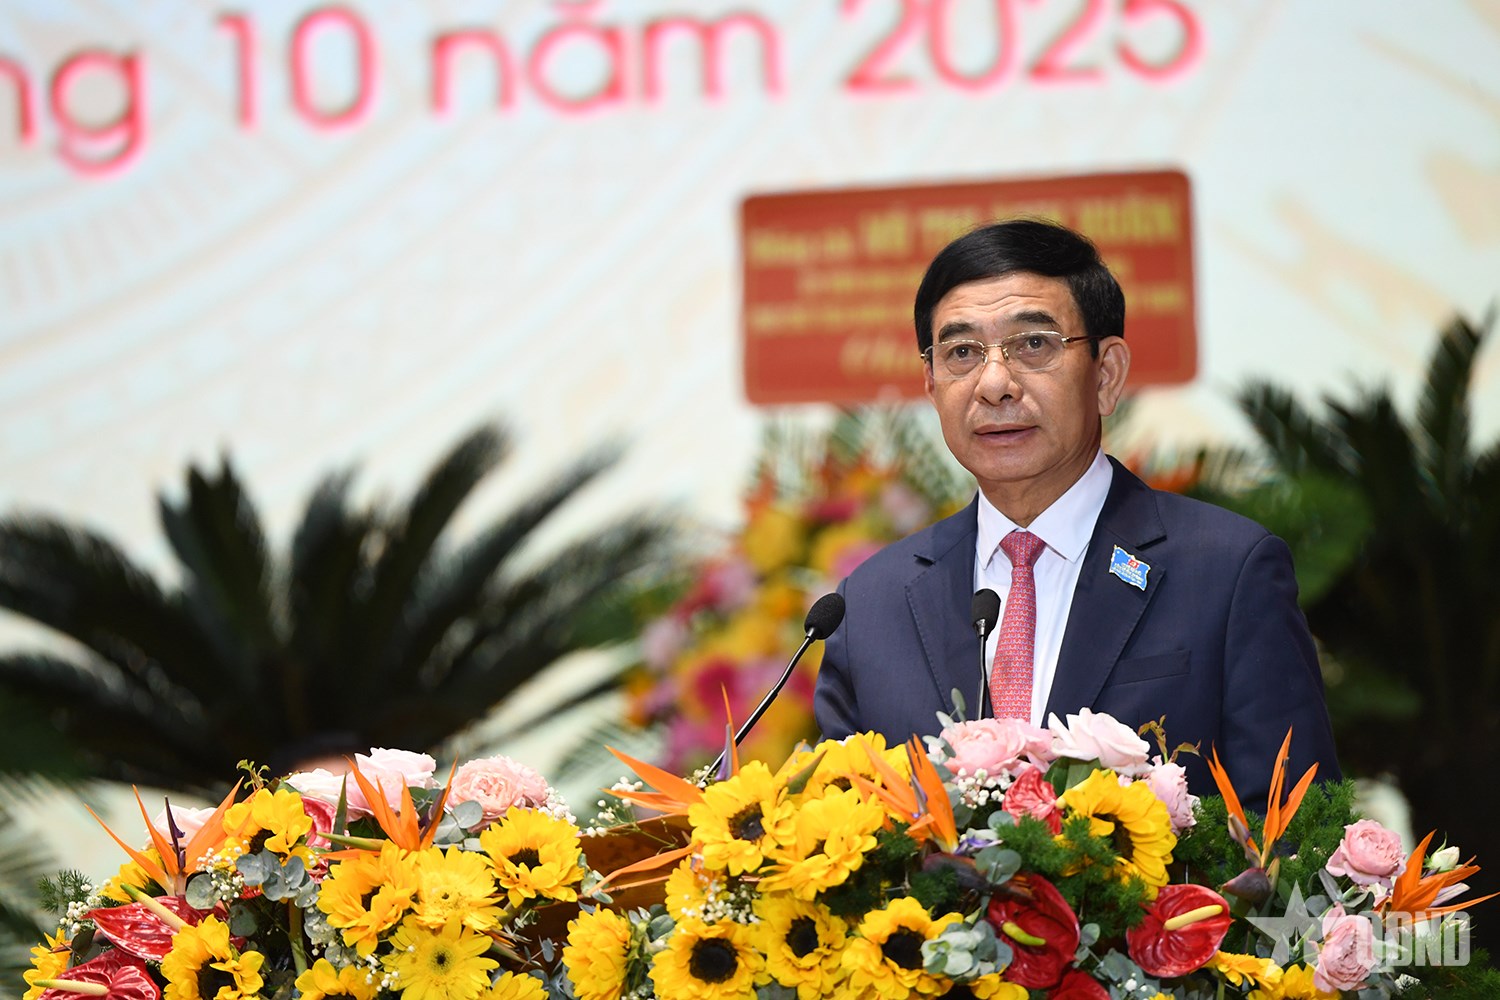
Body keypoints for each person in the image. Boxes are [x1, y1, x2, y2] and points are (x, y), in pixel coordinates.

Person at [812, 219, 1340, 802]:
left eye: (1033, 345)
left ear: (1106, 374)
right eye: (962, 352)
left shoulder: (1226, 572)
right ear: (932, 384)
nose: (995, 384)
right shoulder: (871, 605)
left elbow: (1294, 828)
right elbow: (843, 830)